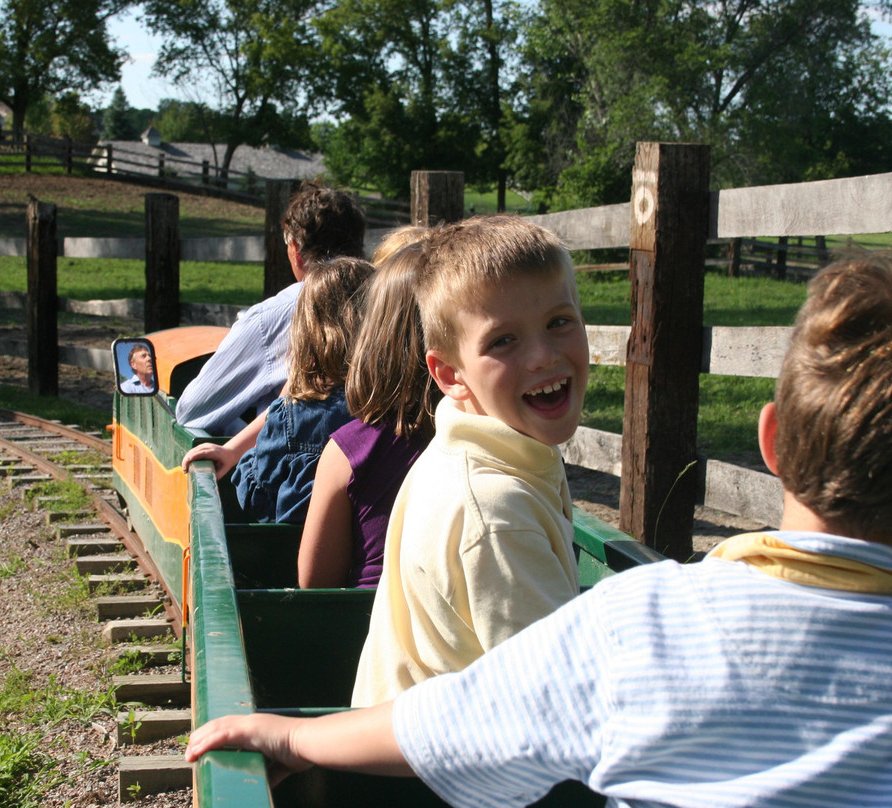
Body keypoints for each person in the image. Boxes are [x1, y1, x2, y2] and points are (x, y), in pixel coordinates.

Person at [187, 254, 892, 808]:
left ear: (771, 441)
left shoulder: (646, 617)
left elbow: (470, 716)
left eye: (560, 323)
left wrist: (294, 736)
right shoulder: (496, 505)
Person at [348, 215, 586, 706]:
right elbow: (558, 704)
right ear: (450, 374)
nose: (543, 356)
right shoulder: (495, 513)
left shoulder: (485, 452)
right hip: (439, 778)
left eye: (559, 323)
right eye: (503, 340)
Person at [186, 257, 376, 524]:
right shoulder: (388, 404)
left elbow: (256, 494)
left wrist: (242, 458)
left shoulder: (294, 416)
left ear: (308, 330)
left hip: (295, 553)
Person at [298, 241, 438, 588]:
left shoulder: (348, 450)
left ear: (373, 336)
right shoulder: (491, 434)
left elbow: (314, 582)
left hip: (370, 631)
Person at [174, 182, 367, 435]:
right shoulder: (393, 302)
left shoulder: (273, 317)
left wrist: (243, 438)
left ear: (296, 250)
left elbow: (194, 411)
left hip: (298, 470)